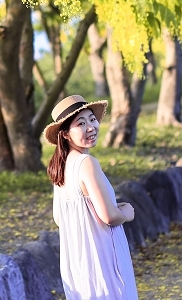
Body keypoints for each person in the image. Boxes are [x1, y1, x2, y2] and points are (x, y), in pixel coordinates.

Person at [44, 94, 138, 300]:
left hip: (78, 264)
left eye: (92, 120)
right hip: (103, 260)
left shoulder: (60, 167)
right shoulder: (86, 163)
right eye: (81, 123)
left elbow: (59, 218)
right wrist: (126, 212)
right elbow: (109, 217)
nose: (90, 127)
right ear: (66, 134)